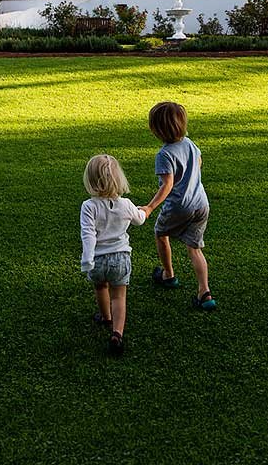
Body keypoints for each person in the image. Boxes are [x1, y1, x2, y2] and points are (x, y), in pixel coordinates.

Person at [142, 101, 217, 310]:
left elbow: (167, 185)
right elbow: (199, 162)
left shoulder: (164, 154)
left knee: (160, 233)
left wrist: (149, 207)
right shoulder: (190, 144)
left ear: (157, 130)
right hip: (201, 203)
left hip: (180, 206)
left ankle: (168, 274)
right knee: (195, 248)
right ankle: (205, 293)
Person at [80, 154, 151, 355]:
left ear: (91, 181)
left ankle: (105, 316)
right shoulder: (126, 204)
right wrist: (145, 211)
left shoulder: (89, 207)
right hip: (120, 258)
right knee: (119, 296)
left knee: (101, 286)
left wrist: (87, 259)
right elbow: (139, 220)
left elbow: (88, 234)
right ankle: (117, 333)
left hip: (98, 259)